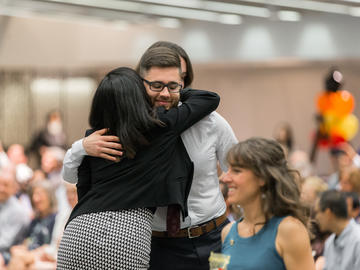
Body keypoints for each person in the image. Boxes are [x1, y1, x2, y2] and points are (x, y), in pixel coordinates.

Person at [62, 41, 238, 269]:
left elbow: (238, 171)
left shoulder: (211, 122)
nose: (165, 93)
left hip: (210, 237)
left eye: (174, 83)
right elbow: (74, 176)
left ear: (183, 82)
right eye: (156, 85)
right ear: (139, 84)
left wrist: (244, 225)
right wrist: (81, 147)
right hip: (152, 242)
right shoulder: (126, 128)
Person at [221, 138, 315, 270]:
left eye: (236, 170)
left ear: (262, 177)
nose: (225, 178)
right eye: (228, 170)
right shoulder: (227, 232)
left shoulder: (289, 230)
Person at [315, 190, 360, 270]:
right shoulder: (329, 242)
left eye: (317, 212)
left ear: (328, 213)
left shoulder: (357, 240)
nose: (316, 218)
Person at [0, 166, 30, 267]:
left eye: (6, 185)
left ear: (14, 188)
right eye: (0, 184)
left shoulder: (17, 211)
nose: (1, 188)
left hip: (8, 254)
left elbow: (5, 243)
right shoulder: (2, 203)